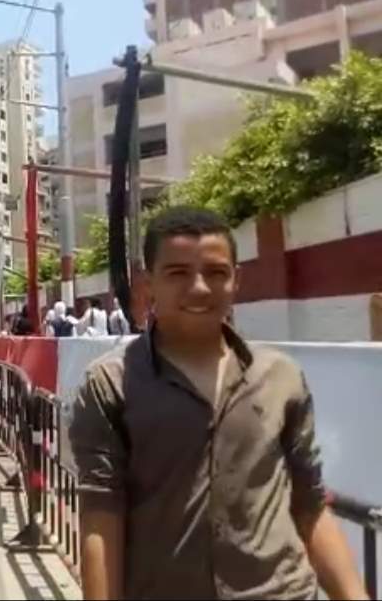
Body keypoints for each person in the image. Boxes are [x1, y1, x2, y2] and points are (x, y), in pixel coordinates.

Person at [69, 206, 367, 600]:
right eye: (178, 273)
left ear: (235, 280)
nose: (199, 288)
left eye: (215, 272)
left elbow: (309, 504)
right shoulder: (110, 384)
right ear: (147, 283)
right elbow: (101, 517)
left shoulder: (281, 377)